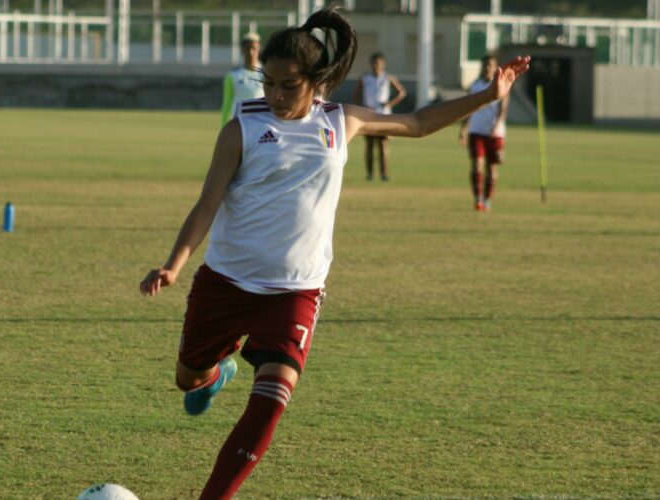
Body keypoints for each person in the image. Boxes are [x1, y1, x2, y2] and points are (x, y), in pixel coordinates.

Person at [140, 7, 529, 498]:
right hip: (226, 282)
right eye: (269, 83)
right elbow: (206, 204)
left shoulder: (340, 123)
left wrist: (488, 95)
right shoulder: (241, 129)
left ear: (316, 81)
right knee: (187, 379)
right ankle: (214, 376)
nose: (276, 95)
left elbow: (418, 122)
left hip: (296, 291)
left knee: (272, 399)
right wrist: (174, 265)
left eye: (288, 85)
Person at [459, 54, 510, 211]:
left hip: (495, 133)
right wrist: (464, 129)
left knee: (492, 168)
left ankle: (487, 199)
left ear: (496, 68)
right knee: (477, 164)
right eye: (486, 65)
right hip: (477, 130)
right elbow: (467, 109)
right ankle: (478, 198)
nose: (488, 68)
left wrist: (497, 125)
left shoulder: (501, 85)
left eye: (491, 65)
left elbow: (503, 109)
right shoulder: (475, 86)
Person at [353, 52, 407, 181]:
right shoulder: (365, 78)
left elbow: (401, 93)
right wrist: (361, 107)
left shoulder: (388, 78)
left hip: (383, 115)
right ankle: (370, 174)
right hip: (368, 115)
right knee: (369, 145)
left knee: (383, 144)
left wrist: (388, 103)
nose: (375, 64)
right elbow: (356, 93)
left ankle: (384, 174)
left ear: (383, 64)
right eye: (373, 62)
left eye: (378, 62)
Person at [220, 32, 265, 127]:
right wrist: (223, 127)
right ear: (242, 50)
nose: (250, 52)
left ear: (259, 49)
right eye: (247, 49)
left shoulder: (266, 74)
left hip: (260, 124)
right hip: (239, 125)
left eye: (254, 48)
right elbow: (227, 103)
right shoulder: (232, 75)